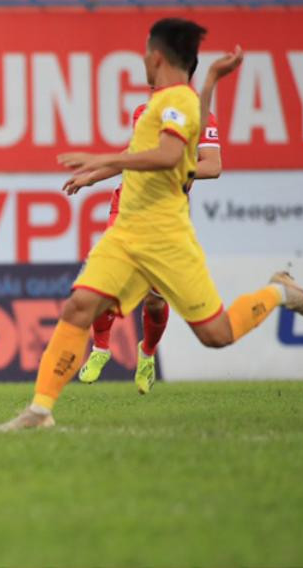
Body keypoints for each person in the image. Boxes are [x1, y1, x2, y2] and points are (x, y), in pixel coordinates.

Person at [0, 18, 303, 431]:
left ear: (156, 56)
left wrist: (103, 159)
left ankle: (281, 293)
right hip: (127, 229)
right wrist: (213, 79)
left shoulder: (176, 102)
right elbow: (165, 144)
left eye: (146, 53)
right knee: (79, 307)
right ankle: (39, 410)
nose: (144, 60)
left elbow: (167, 156)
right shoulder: (168, 103)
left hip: (165, 236)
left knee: (216, 334)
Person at [66, 47, 242, 393]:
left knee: (155, 300)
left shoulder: (198, 117)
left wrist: (177, 166)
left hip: (166, 218)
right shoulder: (143, 113)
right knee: (102, 284)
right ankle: (101, 347)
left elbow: (213, 165)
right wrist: (94, 176)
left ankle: (147, 353)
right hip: (127, 207)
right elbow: (133, 158)